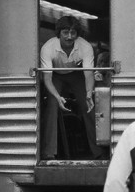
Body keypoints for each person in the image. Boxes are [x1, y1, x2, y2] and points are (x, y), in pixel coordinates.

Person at [39, 15, 104, 159]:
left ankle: (99, 152)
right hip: (55, 75)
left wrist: (88, 93)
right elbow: (47, 78)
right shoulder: (48, 48)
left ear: (77, 34)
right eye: (65, 33)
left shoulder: (85, 46)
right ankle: (49, 153)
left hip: (77, 74)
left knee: (90, 106)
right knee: (51, 105)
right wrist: (57, 96)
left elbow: (88, 74)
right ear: (58, 33)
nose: (69, 36)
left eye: (73, 33)